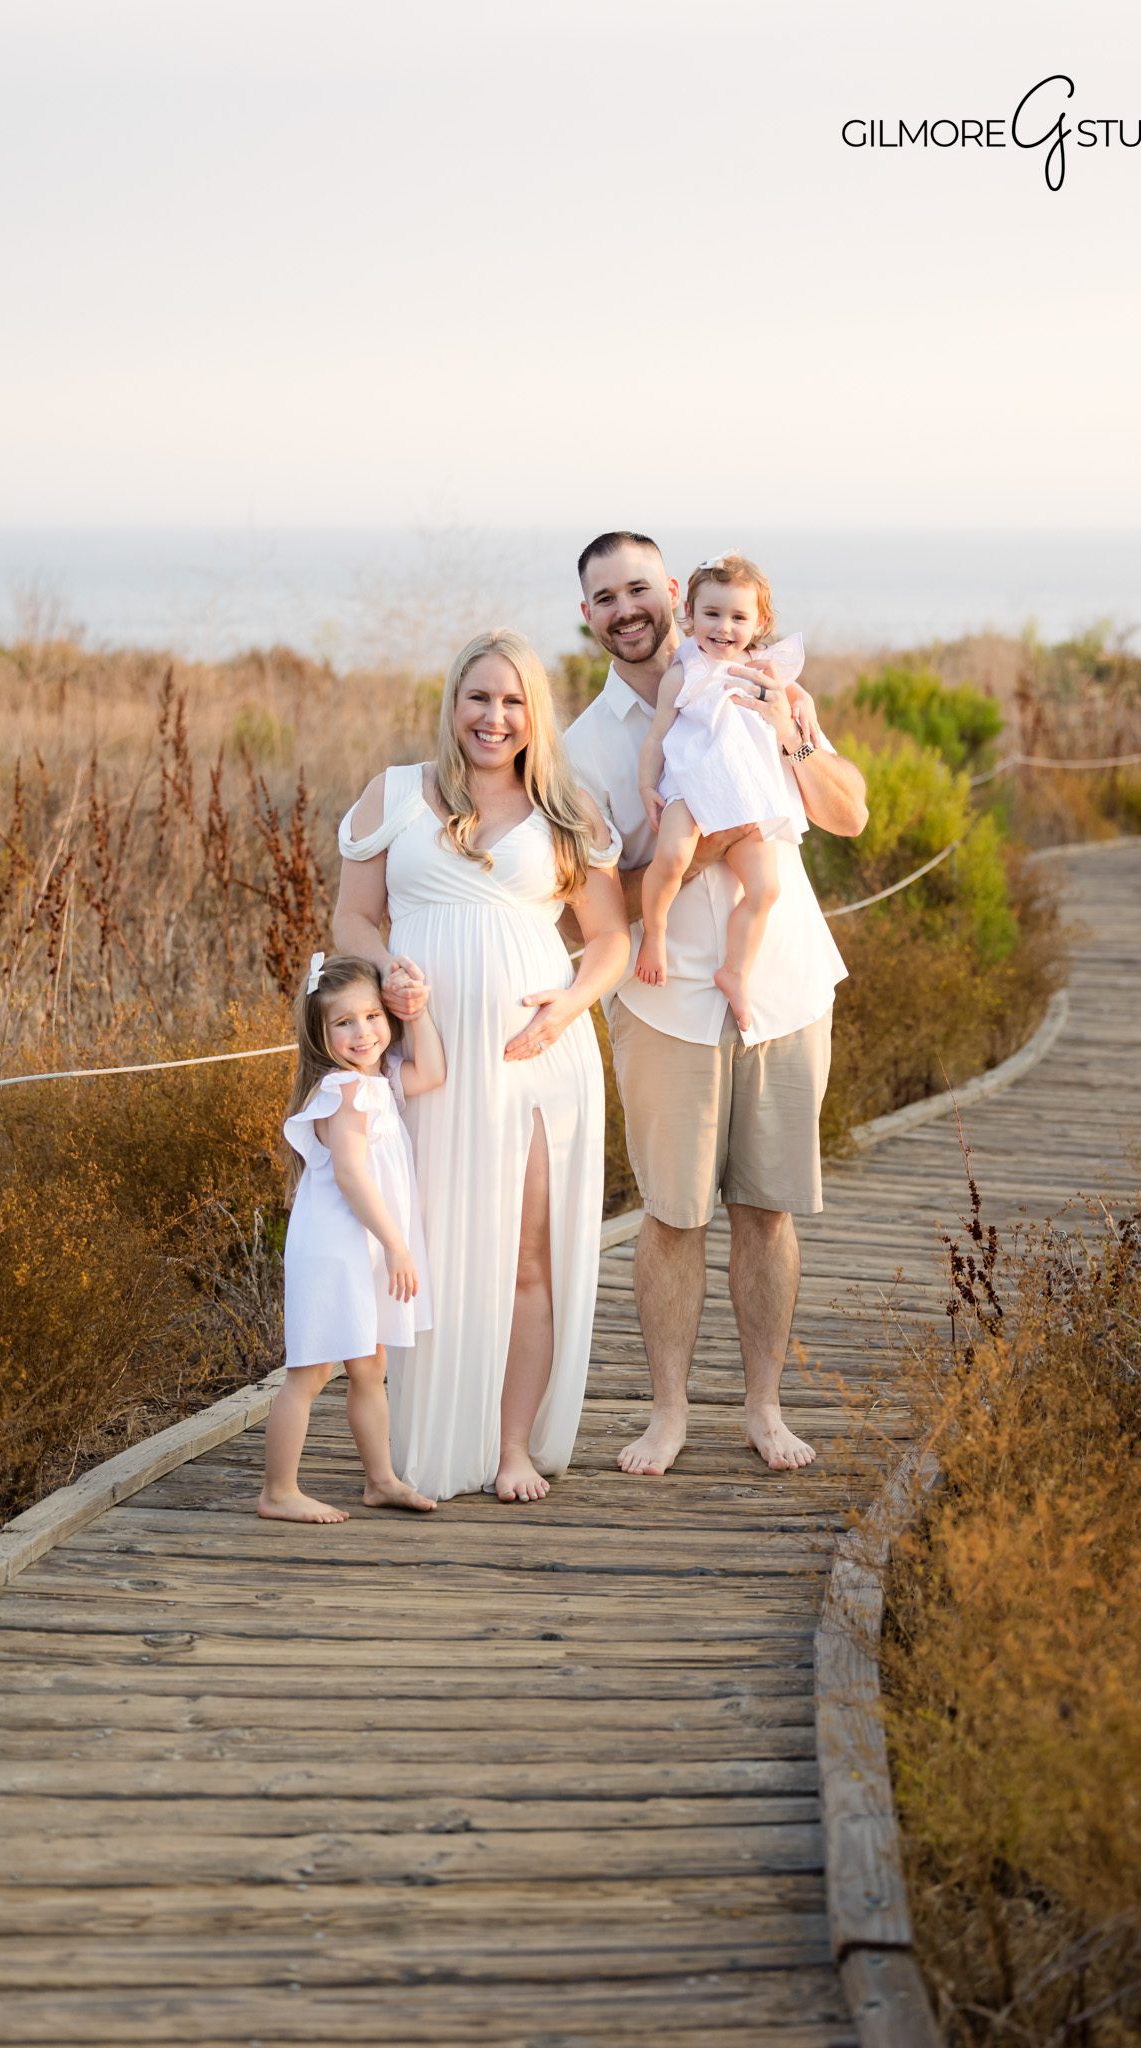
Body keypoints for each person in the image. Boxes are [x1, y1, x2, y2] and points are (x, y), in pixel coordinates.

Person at [565, 531, 869, 1478]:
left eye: (638, 588)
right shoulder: (581, 745)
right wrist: (693, 847)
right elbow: (601, 895)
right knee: (672, 1216)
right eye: (603, 597)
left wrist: (792, 735)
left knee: (768, 1211)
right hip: (663, 1002)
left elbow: (849, 813)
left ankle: (764, 1409)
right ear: (588, 617)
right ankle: (666, 1415)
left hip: (781, 988)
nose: (626, 608)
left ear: (671, 591)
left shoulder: (768, 689)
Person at [333, 628, 629, 1503]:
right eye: (477, 698)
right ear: (452, 705)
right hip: (426, 1059)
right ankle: (420, 1441)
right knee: (424, 1247)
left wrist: (571, 1004)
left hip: (535, 1055)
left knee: (527, 1256)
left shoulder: (568, 809)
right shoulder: (394, 795)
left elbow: (610, 939)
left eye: (511, 701)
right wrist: (387, 970)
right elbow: (353, 918)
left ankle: (509, 1447)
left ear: (533, 713)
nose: (493, 717)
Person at [258, 951, 446, 1525]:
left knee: (370, 1366)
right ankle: (278, 1491)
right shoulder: (344, 1090)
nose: (363, 1032)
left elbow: (433, 1073)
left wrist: (417, 1013)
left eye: (372, 1017)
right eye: (344, 1022)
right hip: (339, 1250)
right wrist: (396, 1244)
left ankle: (380, 1480)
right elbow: (351, 1173)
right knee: (311, 1371)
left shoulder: (378, 1081)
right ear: (320, 1033)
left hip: (361, 1244)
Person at [636, 551, 820, 1034]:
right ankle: (654, 934)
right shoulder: (682, 673)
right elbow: (656, 736)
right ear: (690, 615)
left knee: (766, 888)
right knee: (672, 859)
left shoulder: (761, 668)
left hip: (745, 795)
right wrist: (645, 783)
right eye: (711, 614)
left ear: (759, 622)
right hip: (692, 785)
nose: (723, 627)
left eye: (738, 617)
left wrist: (807, 707)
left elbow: (795, 694)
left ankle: (735, 970)